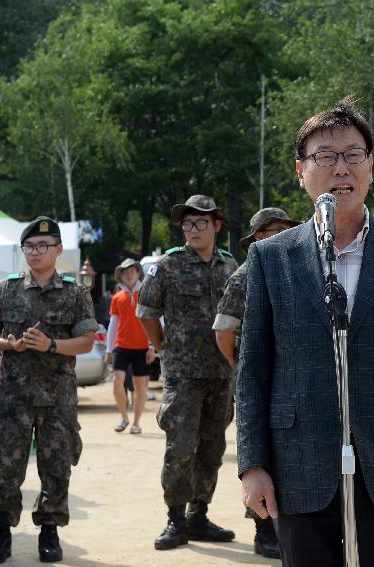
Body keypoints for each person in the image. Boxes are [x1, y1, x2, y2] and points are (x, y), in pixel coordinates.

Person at [237, 96, 374, 567]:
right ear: (301, 170)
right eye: (325, 157)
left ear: (370, 167)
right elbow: (254, 369)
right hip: (300, 465)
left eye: (353, 155)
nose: (340, 169)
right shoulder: (271, 257)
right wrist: (252, 464)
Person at [0, 216, 97, 564]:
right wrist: (6, 343)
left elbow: (87, 342)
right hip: (14, 399)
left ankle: (50, 531)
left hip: (57, 399)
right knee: (5, 467)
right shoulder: (6, 289)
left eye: (43, 245)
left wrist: (50, 345)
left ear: (58, 249)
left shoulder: (76, 293)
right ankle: (1, 534)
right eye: (30, 246)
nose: (36, 251)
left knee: (56, 466)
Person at [136, 194, 238, 550]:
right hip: (183, 374)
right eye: (188, 223)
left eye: (201, 223)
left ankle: (199, 515)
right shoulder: (167, 265)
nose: (193, 229)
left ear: (217, 226)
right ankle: (175, 519)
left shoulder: (229, 266)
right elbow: (146, 311)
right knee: (179, 447)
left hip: (221, 373)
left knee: (212, 447)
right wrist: (164, 347)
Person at [213, 206, 300, 559]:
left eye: (283, 229)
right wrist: (240, 364)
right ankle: (263, 529)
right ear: (257, 239)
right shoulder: (246, 274)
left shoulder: (300, 269)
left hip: (294, 380)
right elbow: (222, 328)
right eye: (270, 231)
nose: (278, 235)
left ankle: (287, 526)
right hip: (259, 383)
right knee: (259, 454)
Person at [106, 258, 155, 435]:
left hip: (142, 346)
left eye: (132, 271)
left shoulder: (146, 293)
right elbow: (113, 325)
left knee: (140, 386)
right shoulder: (117, 297)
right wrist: (108, 350)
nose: (129, 274)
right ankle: (124, 417)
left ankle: (136, 422)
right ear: (121, 275)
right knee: (117, 381)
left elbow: (154, 320)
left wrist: (152, 346)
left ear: (137, 273)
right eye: (125, 272)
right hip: (121, 346)